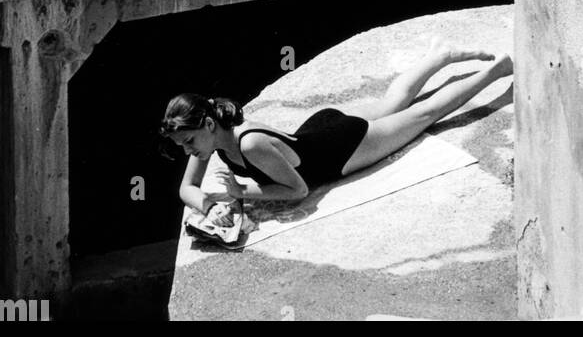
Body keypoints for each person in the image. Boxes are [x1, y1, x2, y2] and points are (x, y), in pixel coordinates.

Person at [160, 38, 512, 221]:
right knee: (393, 102)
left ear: (207, 124)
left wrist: (240, 194)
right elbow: (186, 188)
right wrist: (208, 205)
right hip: (319, 130)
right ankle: (441, 55)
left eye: (189, 141)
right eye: (182, 146)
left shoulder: (249, 144)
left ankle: (497, 71)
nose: (188, 151)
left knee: (426, 113)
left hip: (342, 147)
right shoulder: (211, 137)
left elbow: (297, 190)